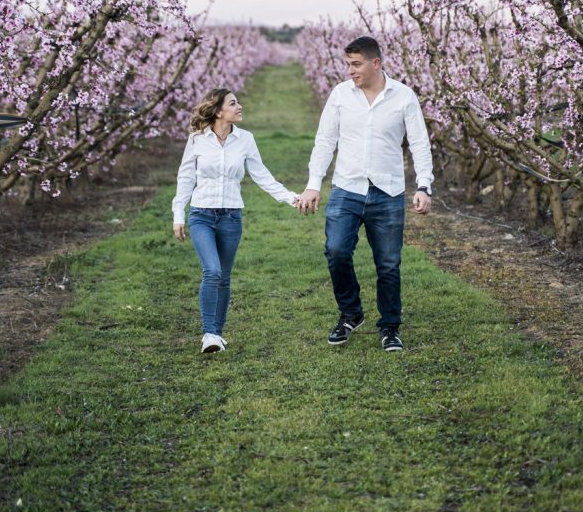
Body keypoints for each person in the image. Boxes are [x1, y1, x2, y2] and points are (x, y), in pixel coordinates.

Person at [297, 36, 433, 352]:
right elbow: (325, 140)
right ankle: (350, 313)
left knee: (388, 264)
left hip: (388, 192)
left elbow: (419, 143)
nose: (350, 71)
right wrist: (314, 182)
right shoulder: (341, 95)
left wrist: (424, 186)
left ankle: (389, 327)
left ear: (375, 63)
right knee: (336, 250)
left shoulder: (403, 97)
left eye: (356, 64)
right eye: (348, 64)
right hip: (347, 189)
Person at [173, 88, 300, 353]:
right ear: (219, 111)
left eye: (238, 102)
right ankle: (208, 333)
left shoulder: (245, 139)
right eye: (233, 103)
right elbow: (186, 178)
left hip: (231, 217)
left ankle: (216, 335)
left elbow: (261, 175)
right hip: (201, 215)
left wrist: (290, 197)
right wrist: (178, 214)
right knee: (212, 271)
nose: (240, 106)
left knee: (224, 277)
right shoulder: (197, 140)